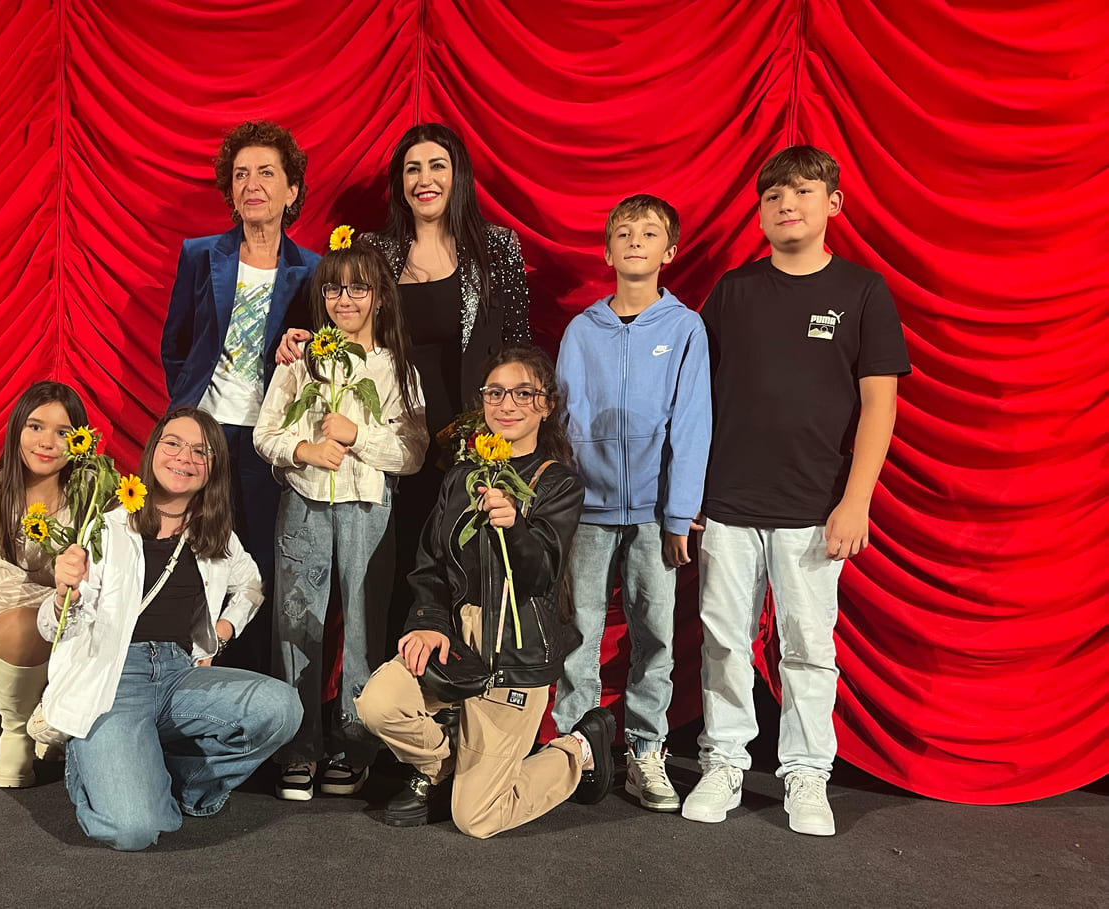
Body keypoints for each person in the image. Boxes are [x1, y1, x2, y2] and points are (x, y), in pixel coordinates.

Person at [683, 146, 910, 836]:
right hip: (727, 504)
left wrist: (857, 499)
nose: (787, 204)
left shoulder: (863, 292)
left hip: (816, 508)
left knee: (810, 646)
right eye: (774, 195)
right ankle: (723, 758)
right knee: (724, 642)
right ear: (759, 212)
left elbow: (880, 403)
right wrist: (690, 489)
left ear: (831, 204)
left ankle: (806, 770)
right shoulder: (733, 291)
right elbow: (697, 399)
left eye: (803, 192)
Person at [277, 123, 531, 645]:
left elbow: (517, 347)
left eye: (437, 165)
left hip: (471, 443)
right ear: (399, 183)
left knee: (462, 566)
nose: (425, 178)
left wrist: (506, 435)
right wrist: (299, 337)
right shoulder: (376, 251)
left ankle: (456, 698)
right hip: (385, 439)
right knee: (388, 573)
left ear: (457, 175)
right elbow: (336, 320)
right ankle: (386, 706)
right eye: (412, 168)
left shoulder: (497, 249)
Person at [355, 344, 615, 838]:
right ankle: (444, 768)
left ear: (546, 404)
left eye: (523, 393)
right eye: (495, 392)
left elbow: (540, 576)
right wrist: (429, 623)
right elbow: (431, 564)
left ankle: (577, 750)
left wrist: (515, 524)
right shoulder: (461, 477)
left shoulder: (558, 484)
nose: (507, 404)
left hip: (513, 650)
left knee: (475, 818)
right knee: (378, 704)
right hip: (457, 639)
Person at [39, 407, 301, 851]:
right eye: (174, 443)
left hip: (181, 673)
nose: (185, 457)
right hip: (114, 679)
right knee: (134, 830)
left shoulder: (214, 533)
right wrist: (65, 593)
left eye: (202, 451)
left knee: (281, 708)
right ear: (153, 451)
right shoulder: (108, 526)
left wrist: (222, 631)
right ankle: (96, 762)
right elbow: (52, 627)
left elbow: (251, 584)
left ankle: (187, 787)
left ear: (213, 468)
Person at [551, 194, 712, 813]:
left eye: (649, 233)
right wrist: (564, 506)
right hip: (587, 514)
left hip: (654, 516)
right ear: (608, 248)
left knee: (655, 636)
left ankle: (648, 751)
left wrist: (678, 514)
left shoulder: (685, 328)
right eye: (624, 232)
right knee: (580, 632)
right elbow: (565, 417)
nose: (636, 241)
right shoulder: (582, 330)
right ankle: (577, 750)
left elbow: (692, 425)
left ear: (669, 252)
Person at [254, 233, 428, 801]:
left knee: (363, 626)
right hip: (304, 505)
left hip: (368, 509)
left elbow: (414, 451)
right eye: (333, 288)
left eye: (358, 287)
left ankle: (355, 745)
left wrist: (359, 436)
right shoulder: (301, 359)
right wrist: (302, 451)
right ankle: (297, 748)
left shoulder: (396, 369)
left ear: (380, 295)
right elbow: (266, 434)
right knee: (295, 626)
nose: (344, 299)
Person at [161, 119, 320, 672]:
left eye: (266, 173)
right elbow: (177, 342)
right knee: (197, 556)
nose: (253, 184)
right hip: (204, 433)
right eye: (241, 174)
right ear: (230, 190)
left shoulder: (313, 271)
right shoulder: (201, 255)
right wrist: (187, 413)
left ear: (291, 190)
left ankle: (255, 687)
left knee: (259, 569)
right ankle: (189, 681)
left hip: (267, 440)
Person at [0, 380, 89, 788]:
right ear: (17, 429)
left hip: (80, 621)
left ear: (79, 441)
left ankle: (57, 718)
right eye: (35, 426)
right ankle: (16, 731)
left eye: (63, 432)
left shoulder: (94, 495)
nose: (46, 441)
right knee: (23, 623)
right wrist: (63, 599)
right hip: (16, 618)